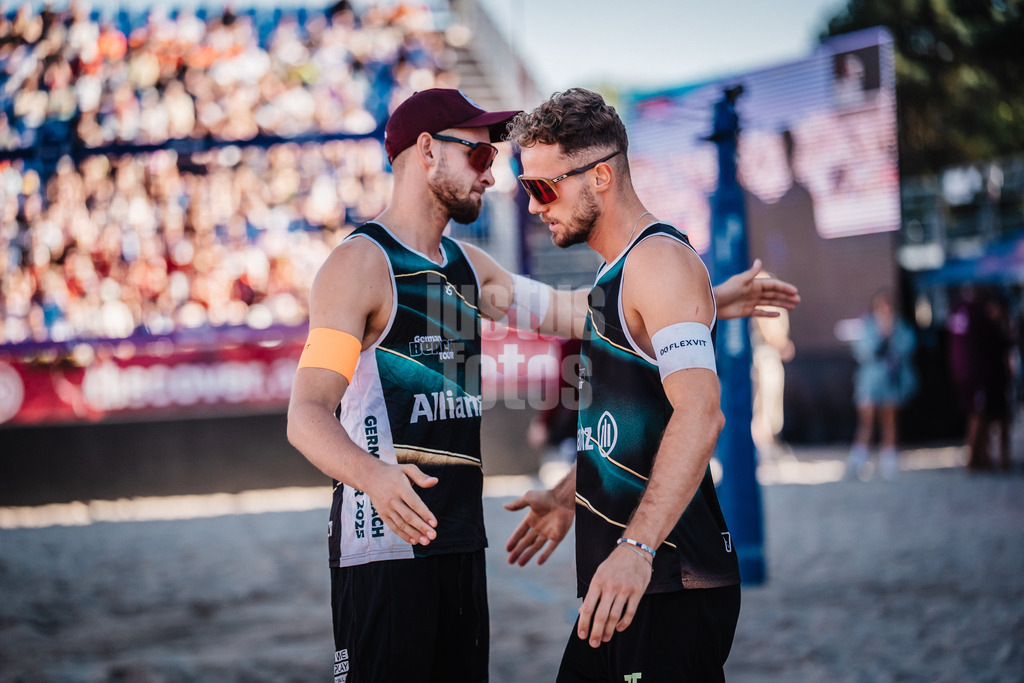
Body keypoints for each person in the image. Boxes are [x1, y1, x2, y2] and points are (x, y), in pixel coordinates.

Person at [286, 88, 800, 682]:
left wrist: (699, 299)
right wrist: (373, 474)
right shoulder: (358, 265)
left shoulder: (467, 268)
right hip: (382, 546)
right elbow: (306, 414)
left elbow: (580, 312)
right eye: (480, 156)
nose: (492, 176)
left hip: (458, 543)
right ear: (426, 151)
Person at [504, 87, 754, 682]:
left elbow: (701, 414)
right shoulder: (614, 276)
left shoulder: (657, 261)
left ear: (600, 176)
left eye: (542, 187)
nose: (534, 206)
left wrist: (637, 548)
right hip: (629, 582)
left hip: (666, 579)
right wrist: (568, 494)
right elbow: (633, 428)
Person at [846, 289, 917, 480]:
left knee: (889, 422)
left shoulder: (899, 326)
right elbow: (861, 350)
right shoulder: (868, 327)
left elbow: (908, 346)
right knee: (866, 422)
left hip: (890, 381)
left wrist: (891, 336)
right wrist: (880, 338)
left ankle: (889, 462)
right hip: (870, 381)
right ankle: (858, 461)